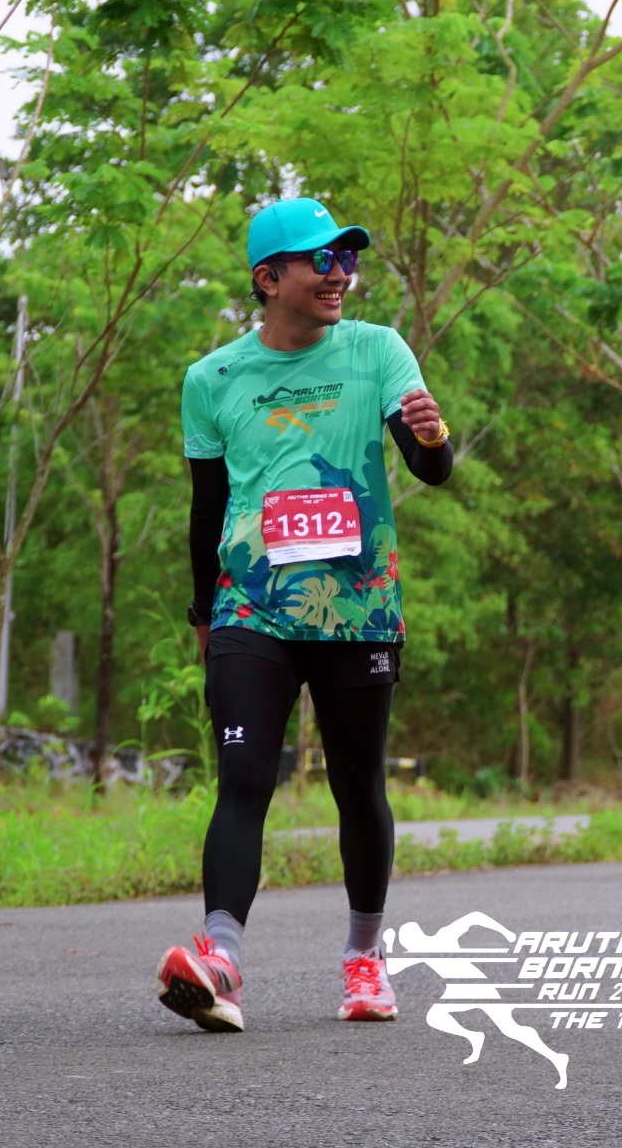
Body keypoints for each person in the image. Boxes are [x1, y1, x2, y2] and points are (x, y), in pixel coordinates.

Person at [155, 197, 454, 1032]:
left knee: (357, 787)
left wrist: (431, 438)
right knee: (244, 776)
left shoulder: (377, 350)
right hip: (250, 606)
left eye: (345, 260)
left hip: (357, 607)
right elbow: (206, 507)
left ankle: (364, 958)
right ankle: (220, 961)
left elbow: (428, 468)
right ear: (268, 277)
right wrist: (204, 613)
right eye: (321, 260)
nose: (339, 275)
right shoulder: (212, 379)